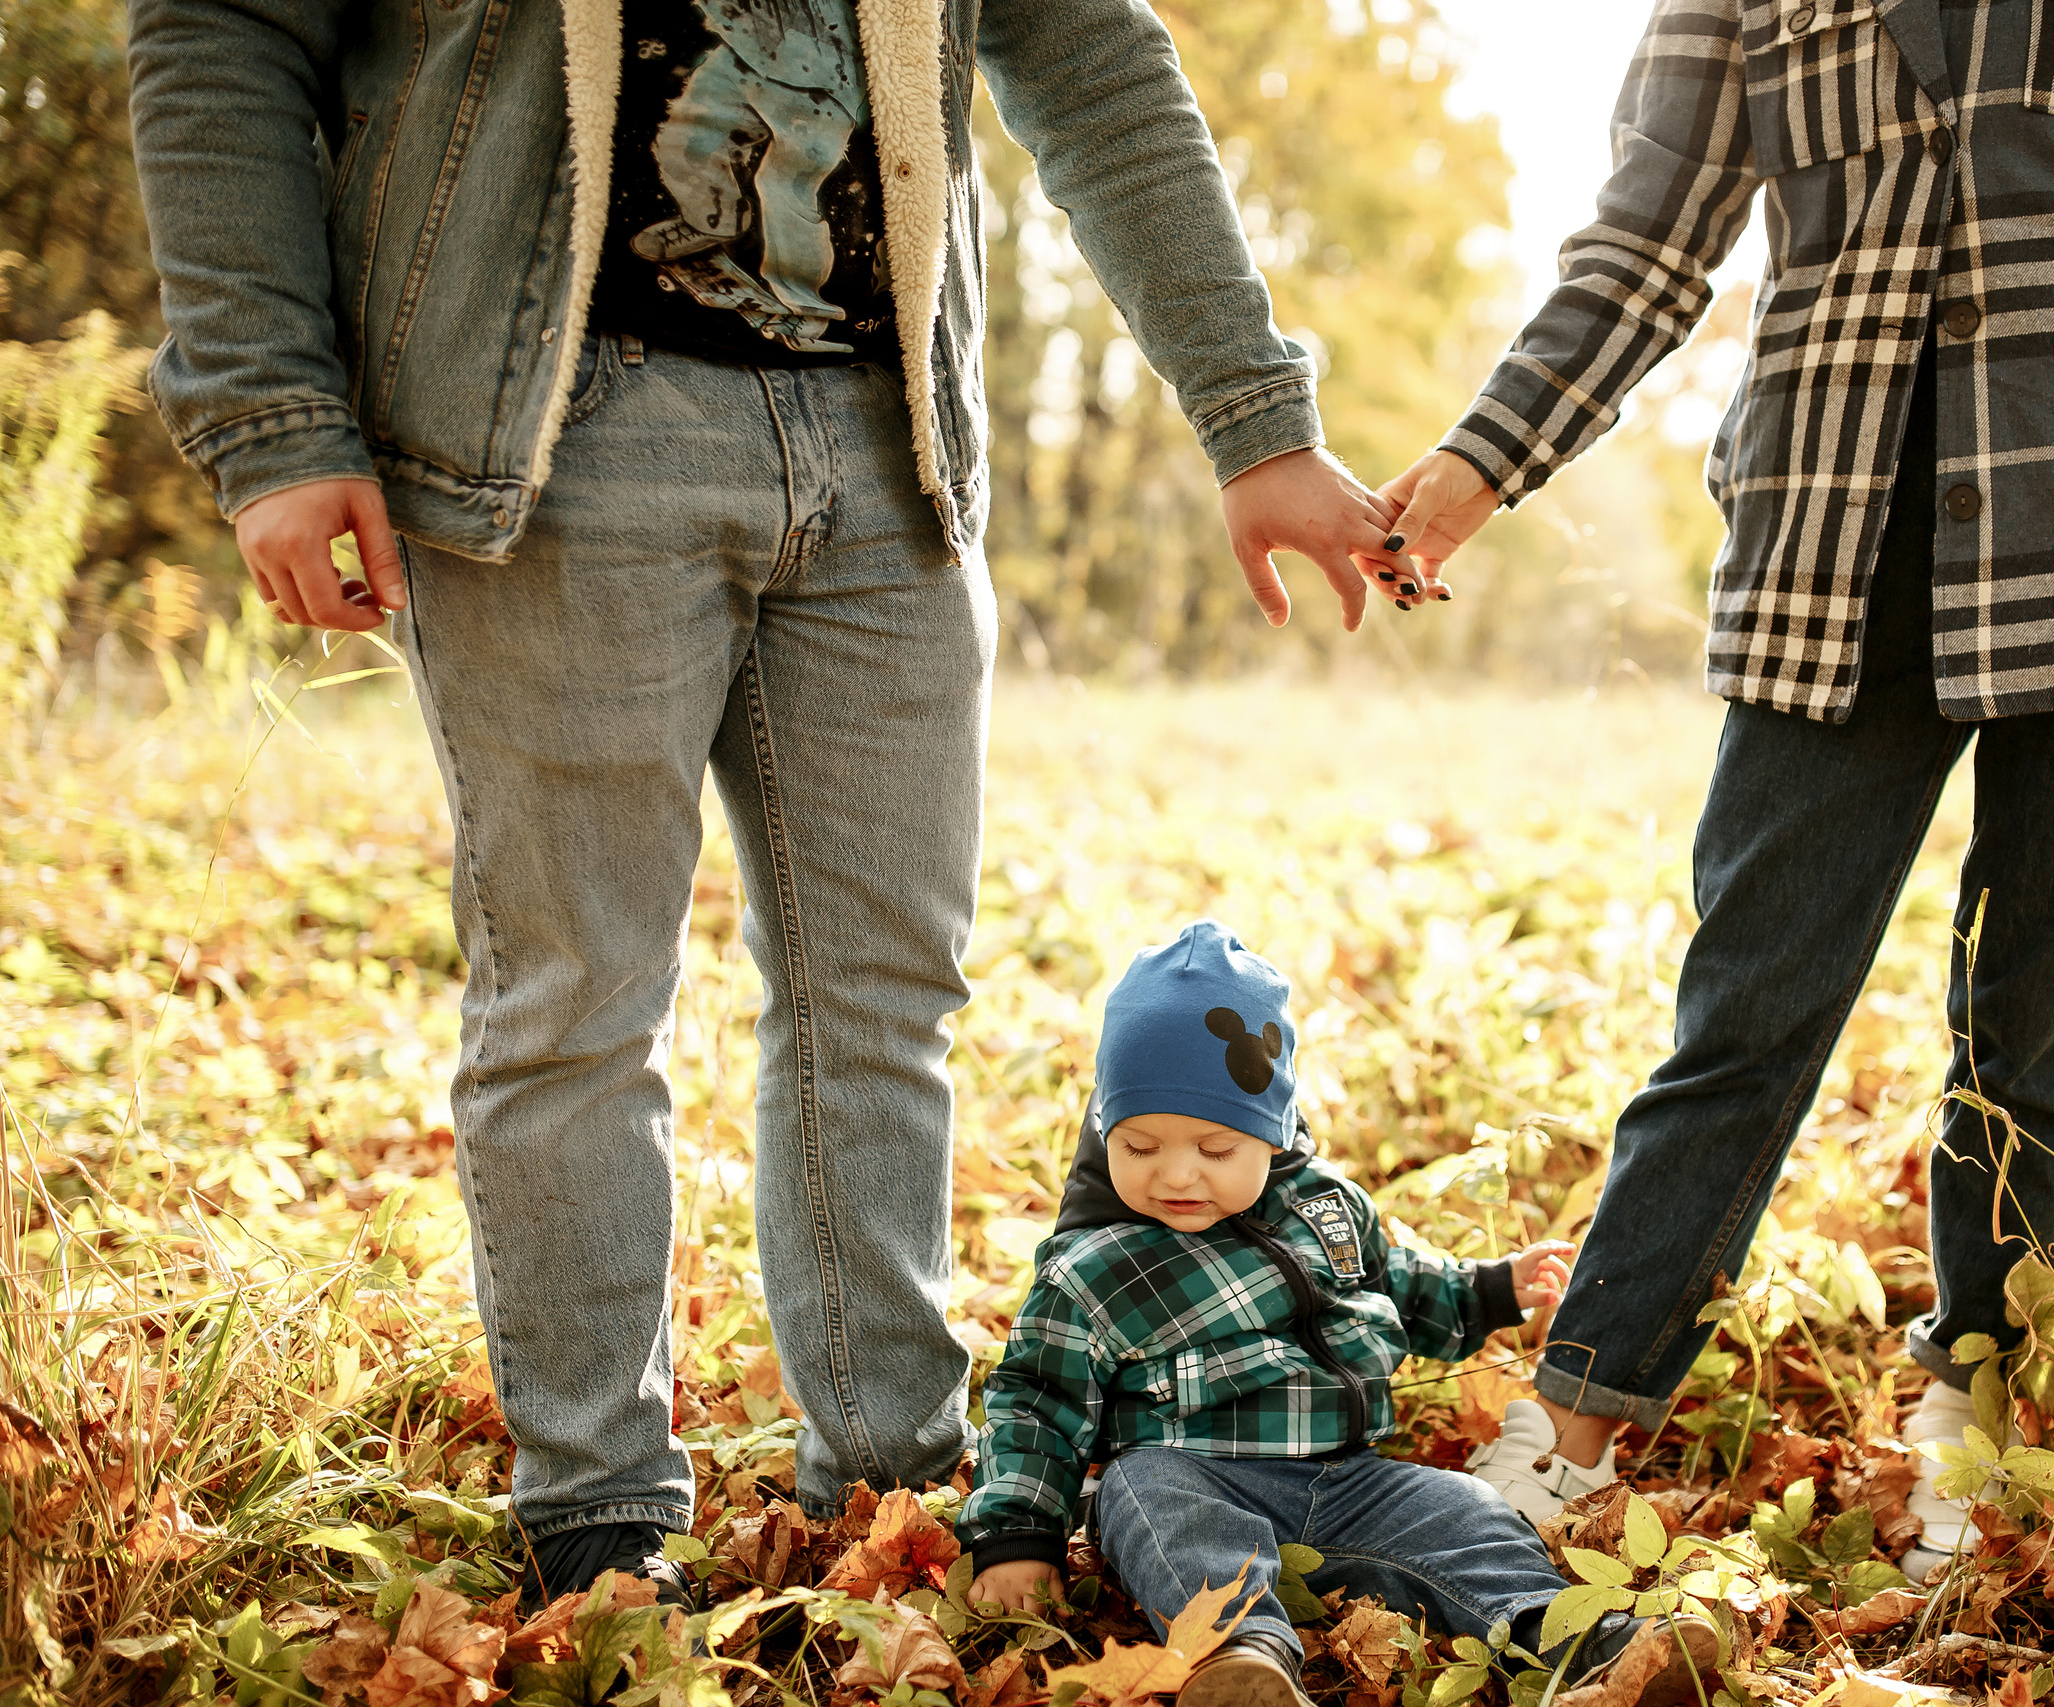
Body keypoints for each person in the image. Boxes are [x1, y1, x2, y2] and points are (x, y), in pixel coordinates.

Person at [126, 0, 1415, 1609]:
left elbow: (1088, 54)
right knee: (579, 1002)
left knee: (884, 995)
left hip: (892, 441)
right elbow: (226, 28)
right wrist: (271, 411)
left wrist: (1252, 414)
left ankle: (894, 1488)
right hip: (556, 420)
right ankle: (600, 1520)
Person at [1381, 0, 2054, 1576]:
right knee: (1741, 1009)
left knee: (2034, 1032)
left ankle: (1975, 1411)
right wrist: (1476, 463)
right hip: (1829, 548)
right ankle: (1572, 1420)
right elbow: (1644, 243)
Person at [958, 923, 1707, 1707]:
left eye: (1216, 1149)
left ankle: (1586, 1643)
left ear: (1274, 1132)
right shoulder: (1095, 1267)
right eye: (1140, 1145)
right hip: (1195, 1469)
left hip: (1349, 1476)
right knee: (1144, 1493)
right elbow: (1036, 1403)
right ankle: (1242, 1656)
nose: (1176, 1173)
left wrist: (1489, 1291)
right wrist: (1018, 1534)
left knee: (1468, 1512)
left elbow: (1404, 1284)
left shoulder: (1327, 1207)